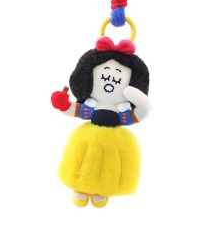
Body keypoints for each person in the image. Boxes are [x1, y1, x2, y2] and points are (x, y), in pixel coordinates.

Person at [52, 37, 151, 207]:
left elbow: (143, 111)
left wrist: (135, 96)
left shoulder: (124, 112)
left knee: (110, 165)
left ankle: (103, 190)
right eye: (106, 70)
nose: (111, 76)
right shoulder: (89, 107)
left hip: (116, 139)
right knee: (83, 160)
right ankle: (79, 188)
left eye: (118, 72)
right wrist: (63, 103)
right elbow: (73, 110)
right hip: (88, 135)